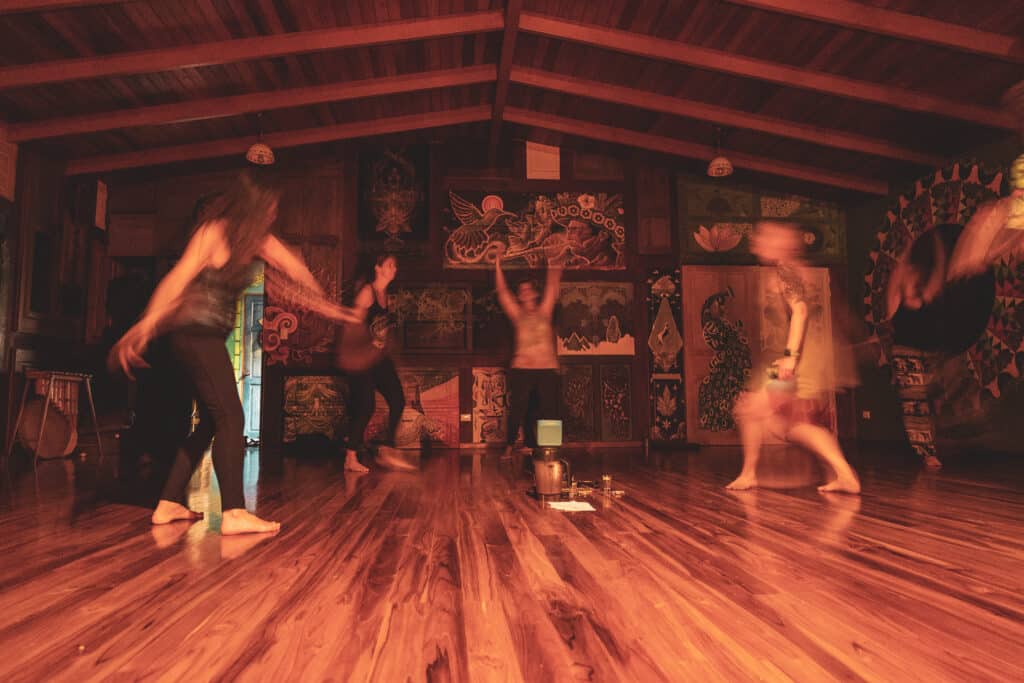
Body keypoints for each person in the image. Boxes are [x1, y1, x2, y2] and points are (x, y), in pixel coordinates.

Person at [110, 169, 357, 535]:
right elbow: (177, 279)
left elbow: (296, 269)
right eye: (271, 206)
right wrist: (144, 325)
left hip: (203, 336)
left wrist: (330, 309)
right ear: (255, 205)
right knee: (232, 417)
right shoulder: (213, 232)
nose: (274, 212)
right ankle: (234, 512)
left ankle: (168, 502)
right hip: (193, 334)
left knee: (213, 420)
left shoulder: (256, 239)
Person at [727, 221, 860, 494]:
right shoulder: (795, 269)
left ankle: (750, 473)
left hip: (799, 360)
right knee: (784, 422)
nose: (756, 243)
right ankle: (843, 474)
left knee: (756, 411)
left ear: (781, 244)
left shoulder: (786, 270)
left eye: (765, 238)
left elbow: (799, 311)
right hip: (804, 358)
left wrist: (790, 357)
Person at [335, 253, 414, 472]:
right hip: (361, 359)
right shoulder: (367, 292)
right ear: (378, 268)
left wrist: (393, 357)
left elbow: (383, 331)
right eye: (390, 265)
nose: (394, 270)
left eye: (395, 266)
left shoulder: (384, 294)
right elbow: (353, 325)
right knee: (365, 407)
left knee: (397, 399)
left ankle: (387, 448)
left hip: (378, 359)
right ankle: (350, 458)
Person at [495, 250, 561, 455]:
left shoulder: (544, 312)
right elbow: (502, 291)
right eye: (520, 290)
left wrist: (553, 260)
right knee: (519, 409)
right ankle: (509, 446)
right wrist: (497, 263)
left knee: (549, 410)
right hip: (522, 368)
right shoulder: (517, 314)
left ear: (534, 293)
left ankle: (549, 448)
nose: (523, 293)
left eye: (527, 290)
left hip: (547, 367)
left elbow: (552, 286)